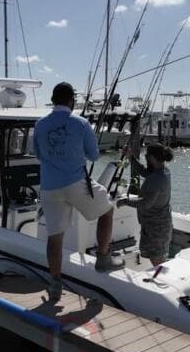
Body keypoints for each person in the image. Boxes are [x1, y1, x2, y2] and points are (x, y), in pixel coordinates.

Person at [33, 82, 124, 301]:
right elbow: (93, 156)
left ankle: (55, 284)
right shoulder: (81, 123)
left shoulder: (40, 125)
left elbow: (37, 154)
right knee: (107, 210)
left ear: (53, 100)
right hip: (75, 182)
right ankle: (103, 259)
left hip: (49, 187)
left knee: (55, 236)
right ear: (71, 101)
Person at [118, 143, 174, 267]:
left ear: (152, 158)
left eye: (147, 155)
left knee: (156, 260)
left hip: (156, 228)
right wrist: (131, 157)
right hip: (157, 223)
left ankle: (161, 278)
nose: (146, 157)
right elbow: (144, 171)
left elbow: (146, 204)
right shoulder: (163, 171)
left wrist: (125, 202)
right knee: (157, 259)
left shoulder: (158, 178)